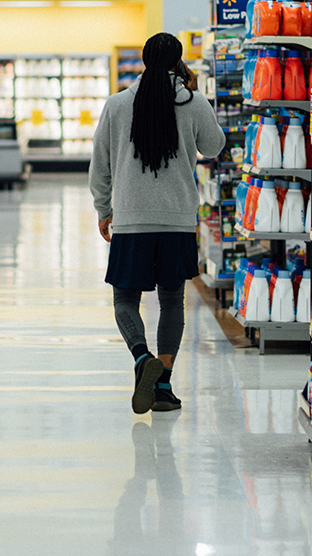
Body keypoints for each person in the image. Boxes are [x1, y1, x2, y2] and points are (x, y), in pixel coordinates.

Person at [89, 32, 224, 414]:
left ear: (145, 60)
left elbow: (100, 164)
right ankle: (162, 386)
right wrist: (198, 98)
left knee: (124, 299)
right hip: (178, 219)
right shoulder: (192, 101)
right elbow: (214, 146)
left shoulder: (117, 105)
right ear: (178, 62)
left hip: (131, 218)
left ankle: (140, 357)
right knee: (171, 300)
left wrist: (104, 208)